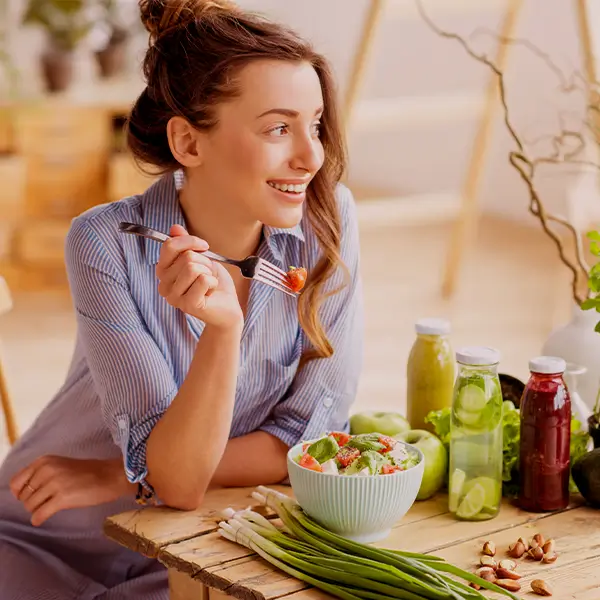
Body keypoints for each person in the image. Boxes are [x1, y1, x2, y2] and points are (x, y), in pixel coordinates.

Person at [0, 0, 363, 597]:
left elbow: (307, 440)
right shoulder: (105, 242)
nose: (311, 155)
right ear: (188, 143)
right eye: (278, 128)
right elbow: (178, 479)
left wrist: (123, 473)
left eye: (315, 124)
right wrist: (221, 335)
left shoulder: (328, 220)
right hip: (46, 537)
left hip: (193, 548)